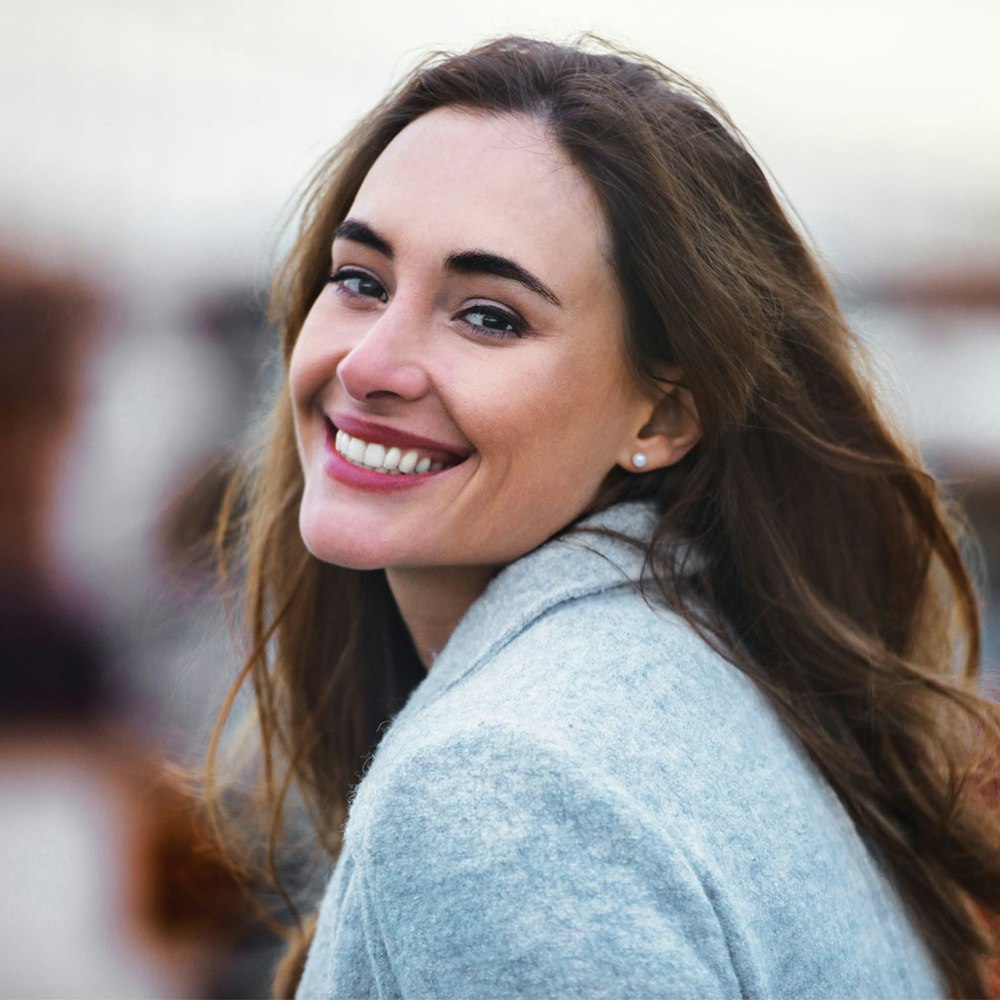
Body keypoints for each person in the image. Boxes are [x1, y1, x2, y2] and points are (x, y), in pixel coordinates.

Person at [207, 36, 1000, 998]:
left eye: (489, 315)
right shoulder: (709, 677)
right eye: (362, 281)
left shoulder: (505, 791)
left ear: (664, 414)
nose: (369, 365)